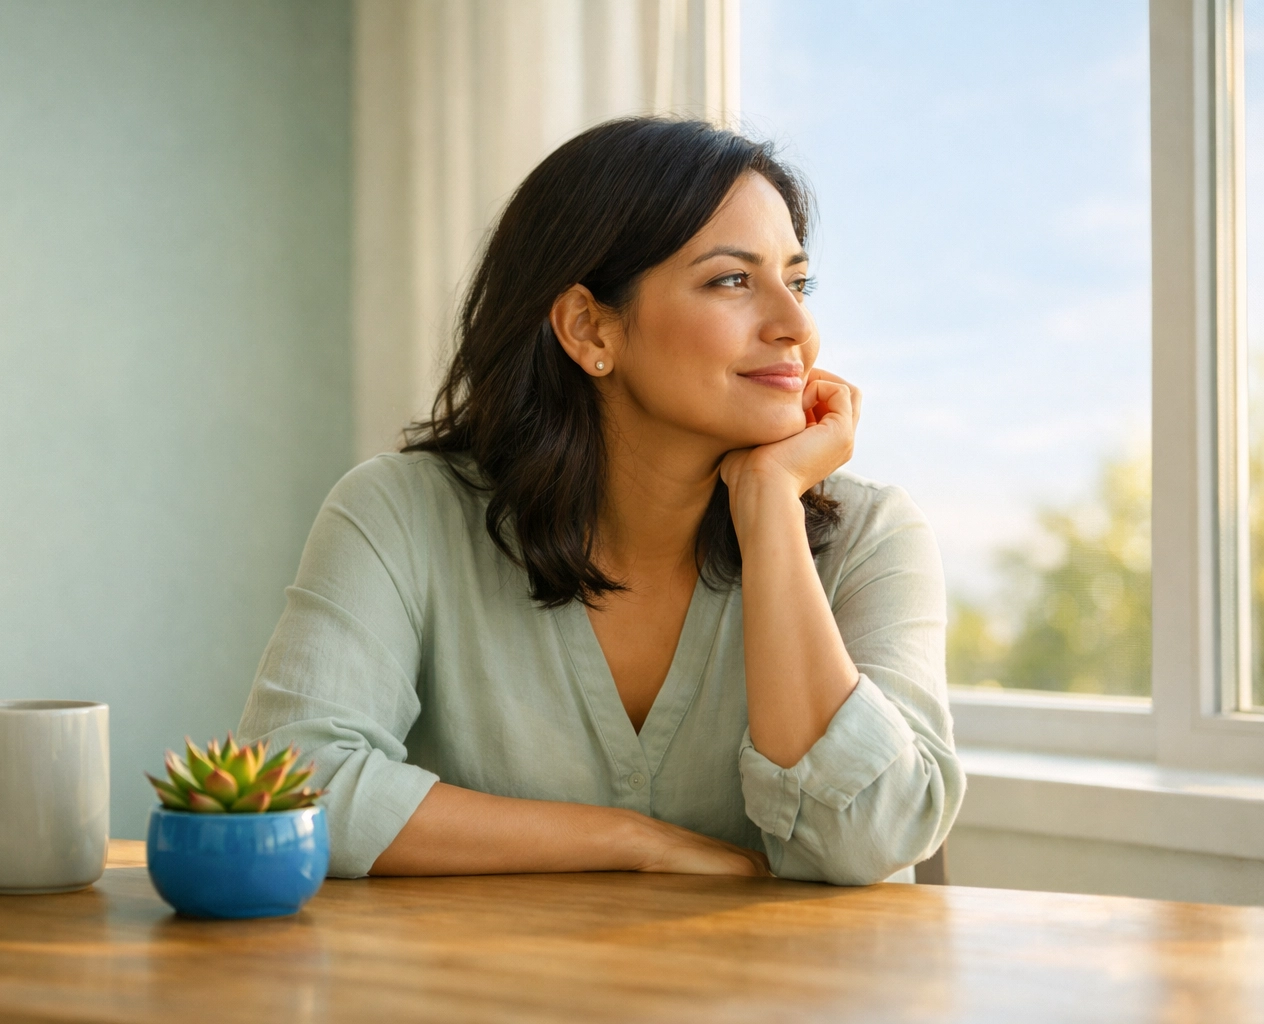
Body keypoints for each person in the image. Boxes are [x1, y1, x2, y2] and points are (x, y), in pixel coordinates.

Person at [238, 117, 963, 884]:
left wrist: (772, 504)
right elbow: (291, 788)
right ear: (589, 328)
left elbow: (873, 841)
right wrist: (630, 841)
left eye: (799, 281)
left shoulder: (873, 536)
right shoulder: (401, 512)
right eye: (732, 280)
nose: (796, 326)